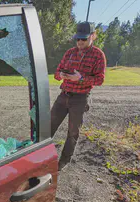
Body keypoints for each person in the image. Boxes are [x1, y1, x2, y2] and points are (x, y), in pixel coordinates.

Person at [52, 22, 106, 171]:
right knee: (48, 126)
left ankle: (63, 162)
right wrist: (61, 75)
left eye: (84, 39)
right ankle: (38, 157)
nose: (80, 42)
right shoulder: (69, 53)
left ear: (93, 36)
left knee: (73, 132)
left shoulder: (98, 55)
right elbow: (56, 74)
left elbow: (100, 79)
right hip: (63, 96)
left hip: (80, 99)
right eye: (78, 39)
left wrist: (81, 78)